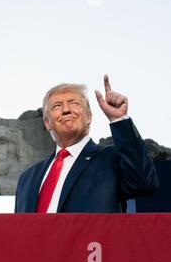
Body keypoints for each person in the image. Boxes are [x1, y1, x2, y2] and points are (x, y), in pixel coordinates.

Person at [14, 75, 159, 213]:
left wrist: (119, 120)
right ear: (47, 123)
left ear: (88, 117)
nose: (66, 110)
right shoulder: (27, 178)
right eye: (57, 106)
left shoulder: (112, 159)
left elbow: (144, 184)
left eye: (74, 103)